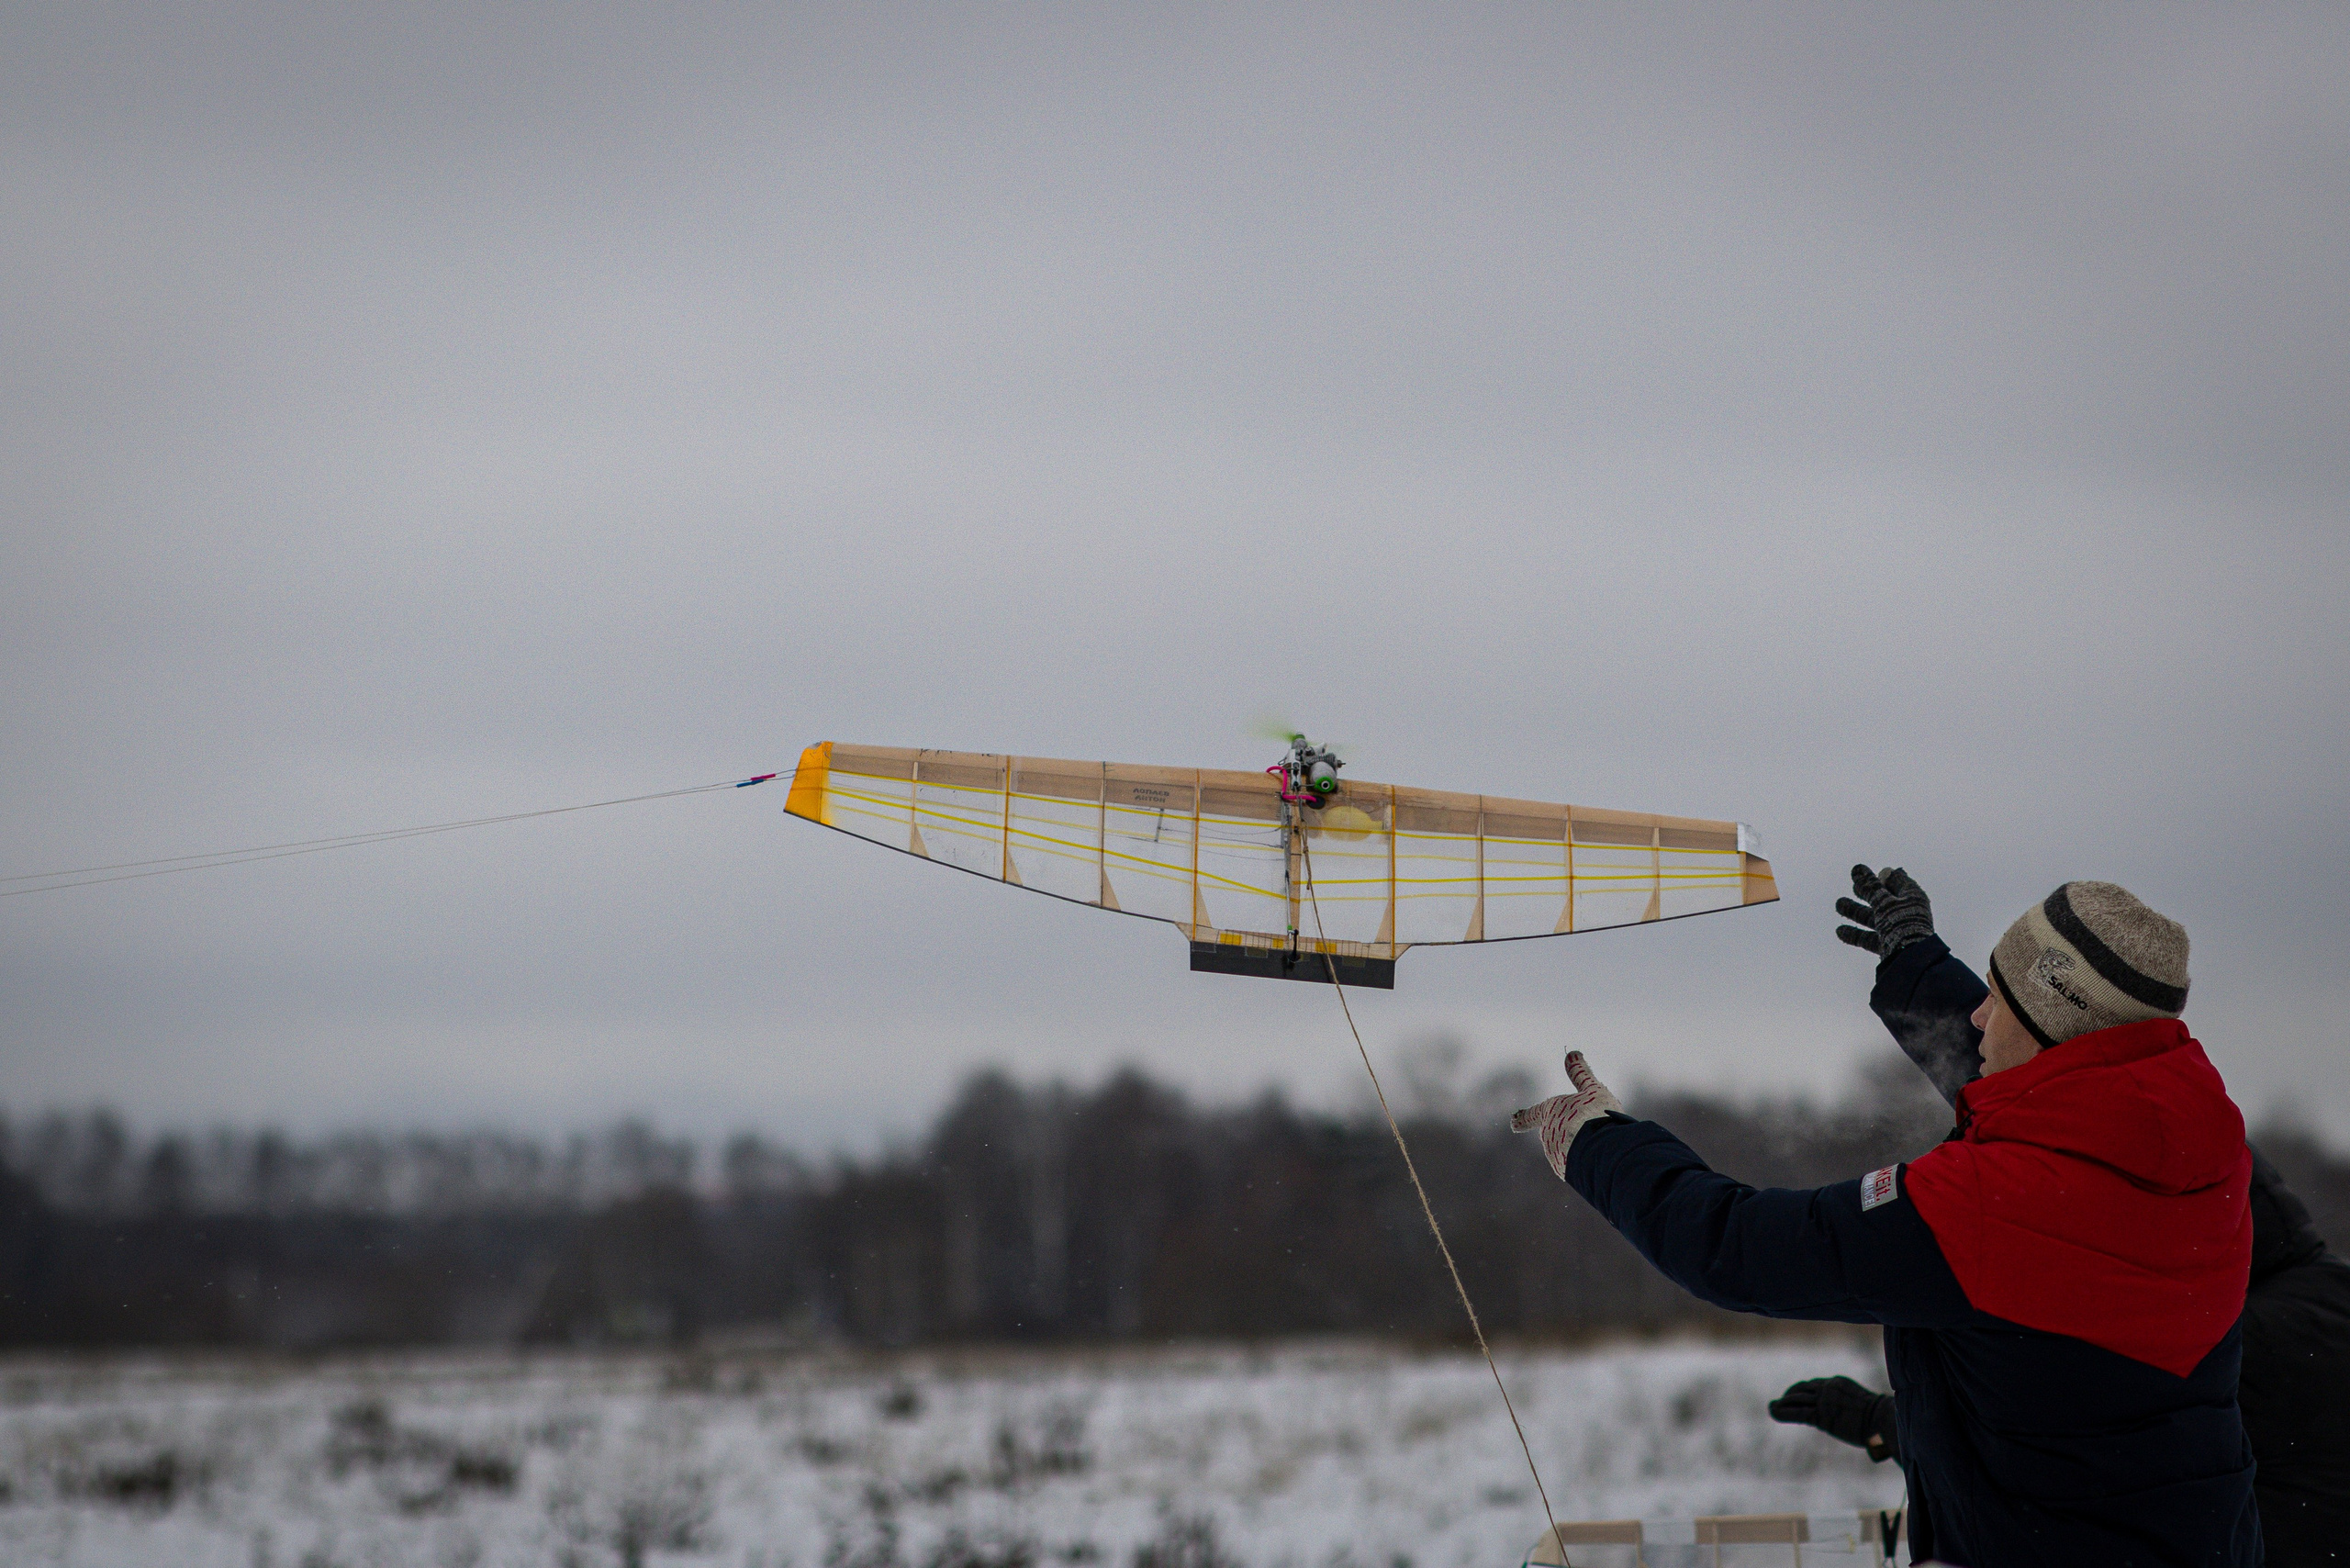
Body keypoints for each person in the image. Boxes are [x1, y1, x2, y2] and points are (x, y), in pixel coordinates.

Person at [1515, 879, 2260, 1567]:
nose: (1978, 1015)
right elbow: (2055, 1087)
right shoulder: (2200, 1158)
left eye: (1996, 996)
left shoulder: (1986, 1207)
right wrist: (1917, 970)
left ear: (2048, 1020)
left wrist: (1598, 1145)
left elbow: (1736, 1249)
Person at [1769, 866, 2350, 1564]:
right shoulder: (2294, 1297)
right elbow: (2058, 1106)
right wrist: (1916, 968)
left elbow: (2062, 1441)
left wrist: (1880, 1420)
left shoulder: (2217, 1335)